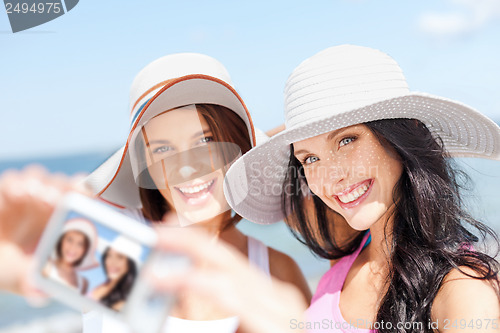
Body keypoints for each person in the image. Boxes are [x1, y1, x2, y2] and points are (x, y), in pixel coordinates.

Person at [222, 45, 500, 332]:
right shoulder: (342, 265)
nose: (331, 178)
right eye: (310, 158)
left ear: (400, 136)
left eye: (346, 140)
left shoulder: (461, 287)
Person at [83, 52, 311, 332]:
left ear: (237, 146)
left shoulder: (277, 273)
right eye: (163, 149)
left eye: (205, 140)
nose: (187, 168)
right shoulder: (112, 244)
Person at [43, 218, 98, 294]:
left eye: (80, 244)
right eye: (70, 240)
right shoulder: (46, 264)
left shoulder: (84, 283)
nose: (73, 247)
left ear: (84, 250)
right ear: (61, 241)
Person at [90, 236, 140, 311]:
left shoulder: (122, 304)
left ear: (130, 265)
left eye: (120, 257)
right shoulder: (105, 284)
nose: (112, 262)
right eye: (109, 255)